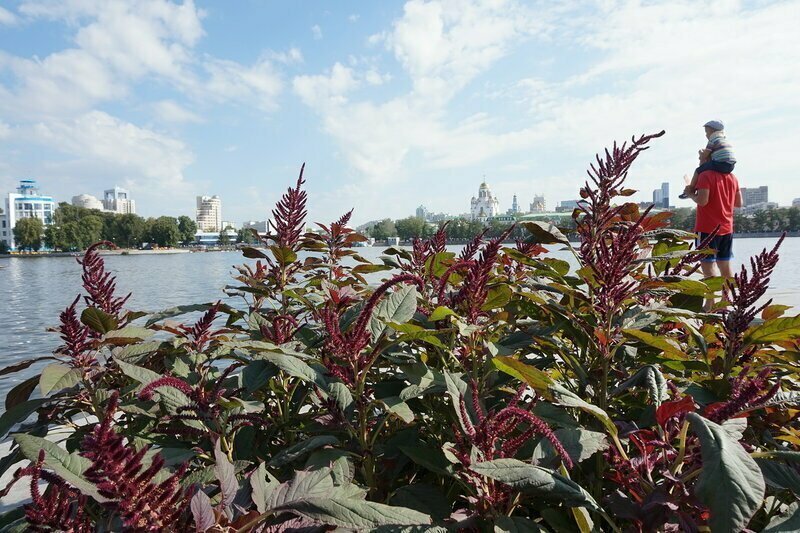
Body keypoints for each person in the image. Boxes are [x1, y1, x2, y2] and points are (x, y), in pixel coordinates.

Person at [685, 161, 743, 310]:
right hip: (727, 228)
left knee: (708, 267)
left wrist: (691, 194)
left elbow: (702, 201)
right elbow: (739, 203)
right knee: (725, 265)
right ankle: (725, 303)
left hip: (706, 228)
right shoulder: (732, 177)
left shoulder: (705, 175)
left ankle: (710, 304)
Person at [679, 120, 737, 199]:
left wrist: (701, 153)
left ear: (712, 130)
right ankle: (696, 187)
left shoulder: (713, 139)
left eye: (706, 132)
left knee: (698, 170)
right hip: (731, 165)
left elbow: (705, 155)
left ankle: (690, 189)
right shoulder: (723, 139)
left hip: (720, 164)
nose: (706, 135)